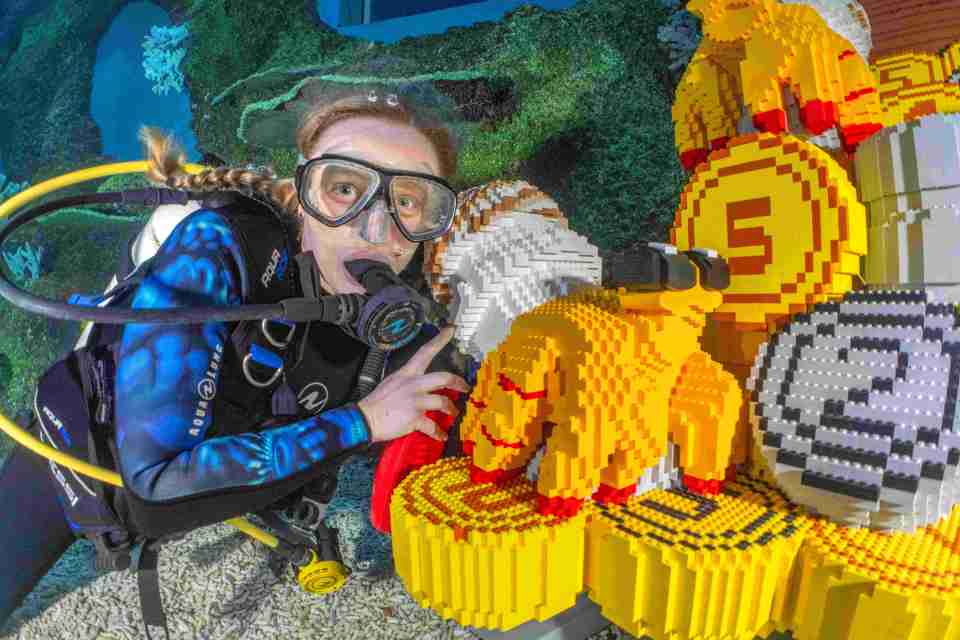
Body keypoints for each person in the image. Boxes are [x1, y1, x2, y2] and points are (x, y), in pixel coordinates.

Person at [0, 83, 471, 628]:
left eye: (409, 201)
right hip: (95, 452)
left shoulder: (403, 319)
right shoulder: (216, 251)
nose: (377, 227)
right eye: (345, 188)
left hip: (245, 435)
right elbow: (153, 483)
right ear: (304, 193)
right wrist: (365, 421)